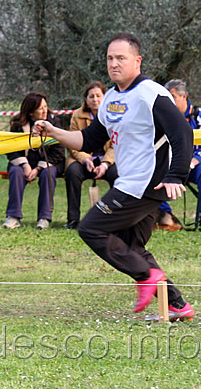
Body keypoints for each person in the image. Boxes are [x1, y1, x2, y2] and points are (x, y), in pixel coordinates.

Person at [32, 33, 194, 321]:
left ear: (137, 61)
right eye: (110, 58)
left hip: (147, 183)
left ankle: (148, 275)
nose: (114, 63)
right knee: (131, 246)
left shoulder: (151, 93)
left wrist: (177, 175)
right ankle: (177, 305)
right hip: (131, 182)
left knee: (90, 228)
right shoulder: (110, 101)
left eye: (121, 58)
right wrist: (53, 131)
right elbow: (89, 140)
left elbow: (181, 133)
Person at [3, 92, 65, 230]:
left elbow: (59, 152)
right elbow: (11, 149)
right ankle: (13, 216)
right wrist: (24, 165)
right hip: (24, 162)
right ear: (31, 112)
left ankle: (44, 218)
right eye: (40, 108)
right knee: (15, 172)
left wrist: (38, 168)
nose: (44, 111)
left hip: (49, 162)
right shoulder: (18, 124)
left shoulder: (55, 123)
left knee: (47, 174)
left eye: (45, 107)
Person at [64, 81, 118, 229]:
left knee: (118, 174)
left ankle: (114, 219)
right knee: (72, 172)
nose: (95, 99)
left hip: (107, 160)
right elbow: (73, 143)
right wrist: (86, 159)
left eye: (98, 96)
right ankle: (73, 220)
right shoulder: (77, 116)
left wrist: (105, 164)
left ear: (105, 97)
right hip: (82, 158)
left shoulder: (114, 115)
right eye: (91, 96)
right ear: (86, 100)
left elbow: (116, 144)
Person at [154, 79, 201, 230]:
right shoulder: (162, 118)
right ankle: (165, 216)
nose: (170, 102)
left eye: (173, 97)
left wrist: (192, 162)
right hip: (167, 165)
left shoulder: (198, 117)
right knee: (151, 173)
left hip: (194, 166)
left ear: (184, 97)